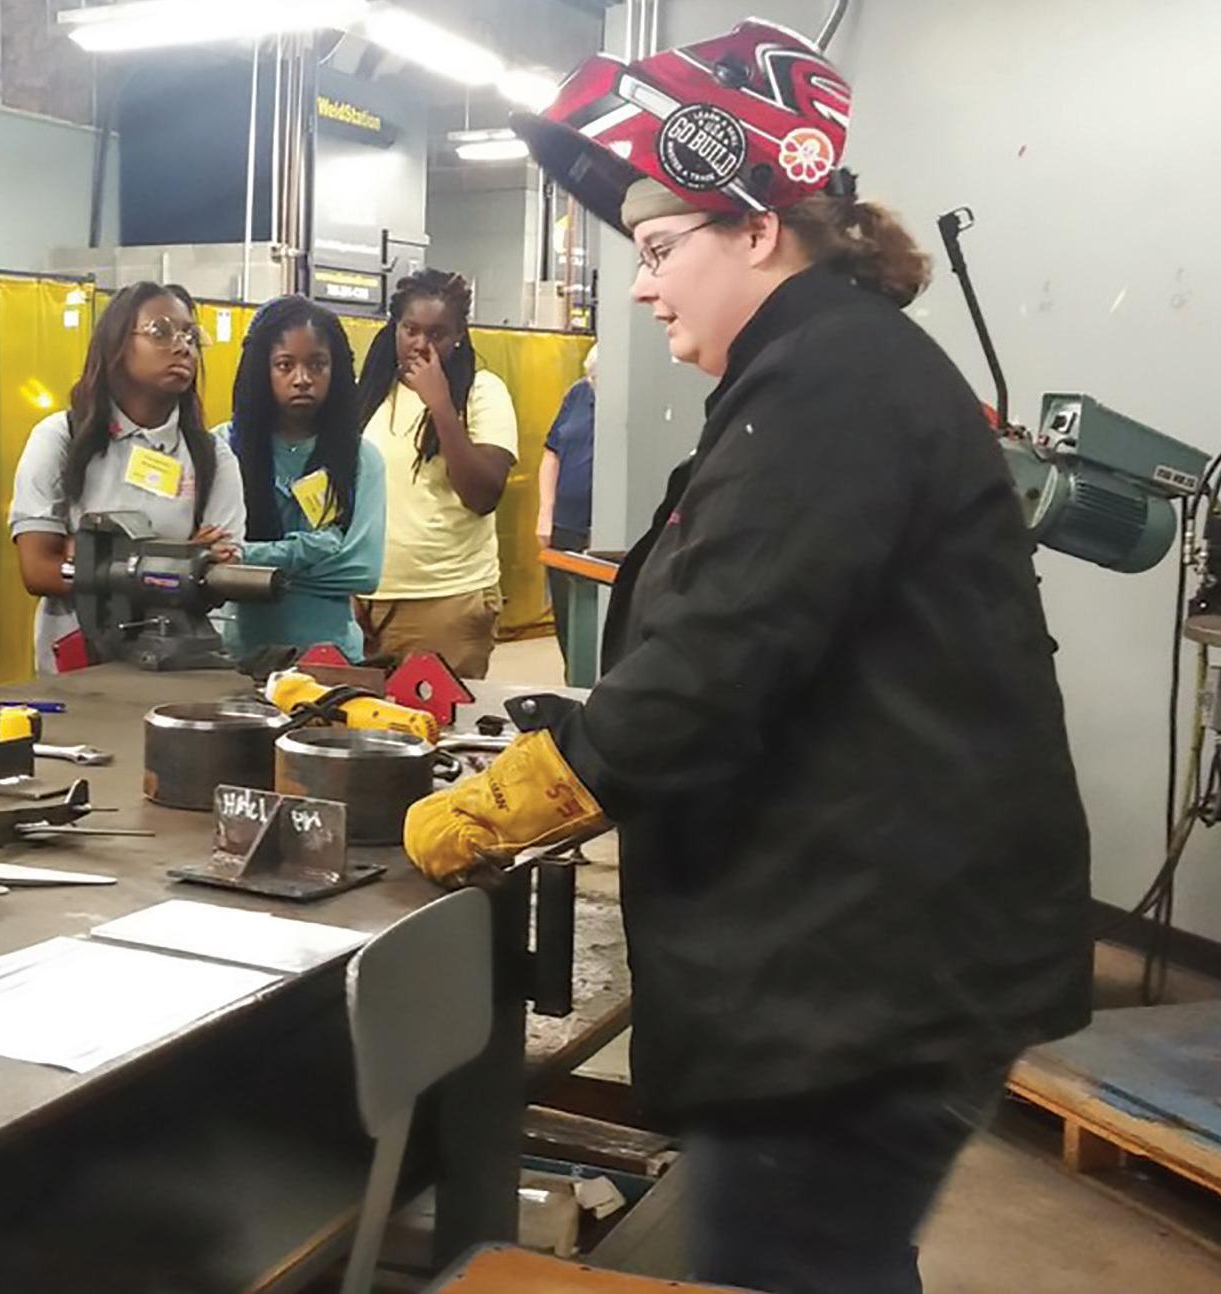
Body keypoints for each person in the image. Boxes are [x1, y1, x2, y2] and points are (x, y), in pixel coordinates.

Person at [406, 21, 1092, 1294]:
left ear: (760, 230)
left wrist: (530, 791)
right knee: (834, 1261)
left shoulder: (832, 382)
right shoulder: (820, 370)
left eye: (662, 249)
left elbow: (715, 661)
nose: (646, 286)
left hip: (863, 981)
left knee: (795, 1263)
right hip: (872, 950)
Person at [8, 281, 245, 674]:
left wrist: (92, 558)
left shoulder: (213, 456)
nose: (183, 347)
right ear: (117, 344)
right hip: (76, 670)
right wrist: (180, 558)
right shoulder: (60, 437)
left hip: (178, 666)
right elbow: (37, 569)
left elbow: (219, 576)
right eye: (161, 331)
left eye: (190, 335)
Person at [354, 270, 518, 679]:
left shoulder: (482, 392)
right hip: (365, 599)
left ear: (459, 335)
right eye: (410, 330)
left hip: (446, 599)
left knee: (436, 718)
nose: (421, 344)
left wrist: (441, 405)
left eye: (437, 334)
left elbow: (483, 495)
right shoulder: (370, 390)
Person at [218, 295, 385, 660]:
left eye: (317, 364)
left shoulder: (362, 458)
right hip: (236, 655)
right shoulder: (221, 449)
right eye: (285, 365)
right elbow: (207, 561)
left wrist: (249, 563)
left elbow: (362, 572)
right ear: (261, 369)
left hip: (331, 657)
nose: (302, 379)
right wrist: (313, 550)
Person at [536, 344, 596, 665]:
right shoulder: (577, 394)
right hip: (565, 528)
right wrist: (545, 513)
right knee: (567, 623)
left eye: (598, 380)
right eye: (590, 378)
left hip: (604, 533)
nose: (592, 385)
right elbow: (551, 454)